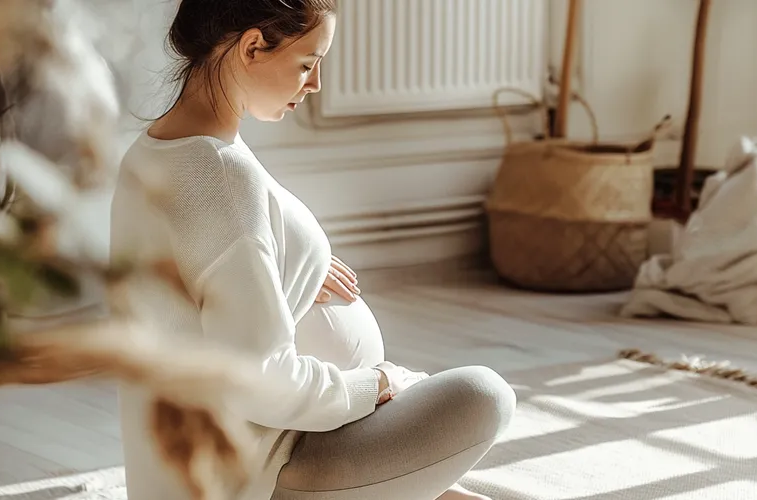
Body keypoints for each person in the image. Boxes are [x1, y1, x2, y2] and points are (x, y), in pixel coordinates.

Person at [107, 1, 516, 499]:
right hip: (265, 466)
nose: (315, 83)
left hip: (239, 455)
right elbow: (259, 380)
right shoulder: (219, 176)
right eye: (306, 64)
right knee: (483, 395)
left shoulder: (160, 151)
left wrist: (284, 269)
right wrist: (377, 384)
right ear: (253, 46)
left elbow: (199, 285)